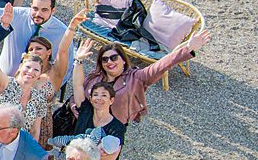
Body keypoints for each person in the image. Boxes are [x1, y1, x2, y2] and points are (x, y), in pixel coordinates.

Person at [80, 30, 210, 126]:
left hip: (113, 127)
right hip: (86, 123)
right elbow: (79, 93)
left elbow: (161, 65)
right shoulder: (94, 77)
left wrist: (188, 48)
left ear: (124, 60)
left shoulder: (136, 78)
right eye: (105, 59)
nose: (109, 62)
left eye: (114, 58)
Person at [0, 0, 71, 75]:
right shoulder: (16, 14)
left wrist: (50, 86)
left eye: (44, 10)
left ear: (53, 10)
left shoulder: (62, 32)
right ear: (30, 6)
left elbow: (65, 65)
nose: (38, 14)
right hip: (3, 78)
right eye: (35, 9)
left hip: (32, 85)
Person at [0, 35, 54, 139]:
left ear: (39, 75)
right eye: (28, 67)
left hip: (19, 146)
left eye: (36, 70)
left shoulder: (39, 99)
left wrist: (29, 152)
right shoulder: (6, 84)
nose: (30, 72)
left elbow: (35, 131)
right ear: (20, 67)